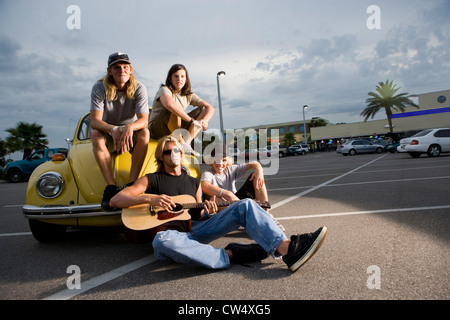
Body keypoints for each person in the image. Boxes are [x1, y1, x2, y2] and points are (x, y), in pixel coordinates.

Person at [110, 136, 328, 272]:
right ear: (162, 156)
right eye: (168, 151)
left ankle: (287, 248)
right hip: (170, 234)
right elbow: (116, 200)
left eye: (177, 150)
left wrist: (208, 211)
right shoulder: (152, 179)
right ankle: (234, 255)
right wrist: (151, 197)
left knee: (245, 205)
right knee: (161, 242)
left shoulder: (193, 182)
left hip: (195, 229)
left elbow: (194, 214)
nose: (174, 154)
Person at [90, 52, 150, 210]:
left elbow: (144, 120)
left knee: (145, 133)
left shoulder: (139, 88)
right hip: (109, 130)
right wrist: (113, 129)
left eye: (125, 67)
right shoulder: (99, 87)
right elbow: (95, 121)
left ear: (131, 70)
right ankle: (111, 188)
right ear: (109, 71)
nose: (121, 70)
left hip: (132, 131)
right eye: (117, 67)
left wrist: (129, 127)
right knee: (95, 134)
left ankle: (131, 184)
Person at [201, 145, 285, 230]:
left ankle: (266, 215)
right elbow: (204, 185)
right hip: (225, 209)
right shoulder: (208, 173)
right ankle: (252, 221)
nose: (220, 164)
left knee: (256, 177)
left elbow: (254, 163)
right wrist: (228, 194)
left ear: (227, 161)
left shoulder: (230, 169)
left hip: (237, 201)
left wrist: (259, 172)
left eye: (224, 160)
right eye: (216, 160)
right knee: (217, 199)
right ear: (211, 160)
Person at [148, 64, 215, 155]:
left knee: (203, 109)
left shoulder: (188, 95)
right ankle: (179, 141)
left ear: (186, 79)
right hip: (157, 129)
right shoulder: (164, 90)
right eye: (176, 76)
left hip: (175, 128)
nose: (179, 79)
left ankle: (186, 143)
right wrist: (191, 121)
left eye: (182, 76)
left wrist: (204, 121)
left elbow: (210, 107)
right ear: (170, 79)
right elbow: (169, 104)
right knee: (173, 107)